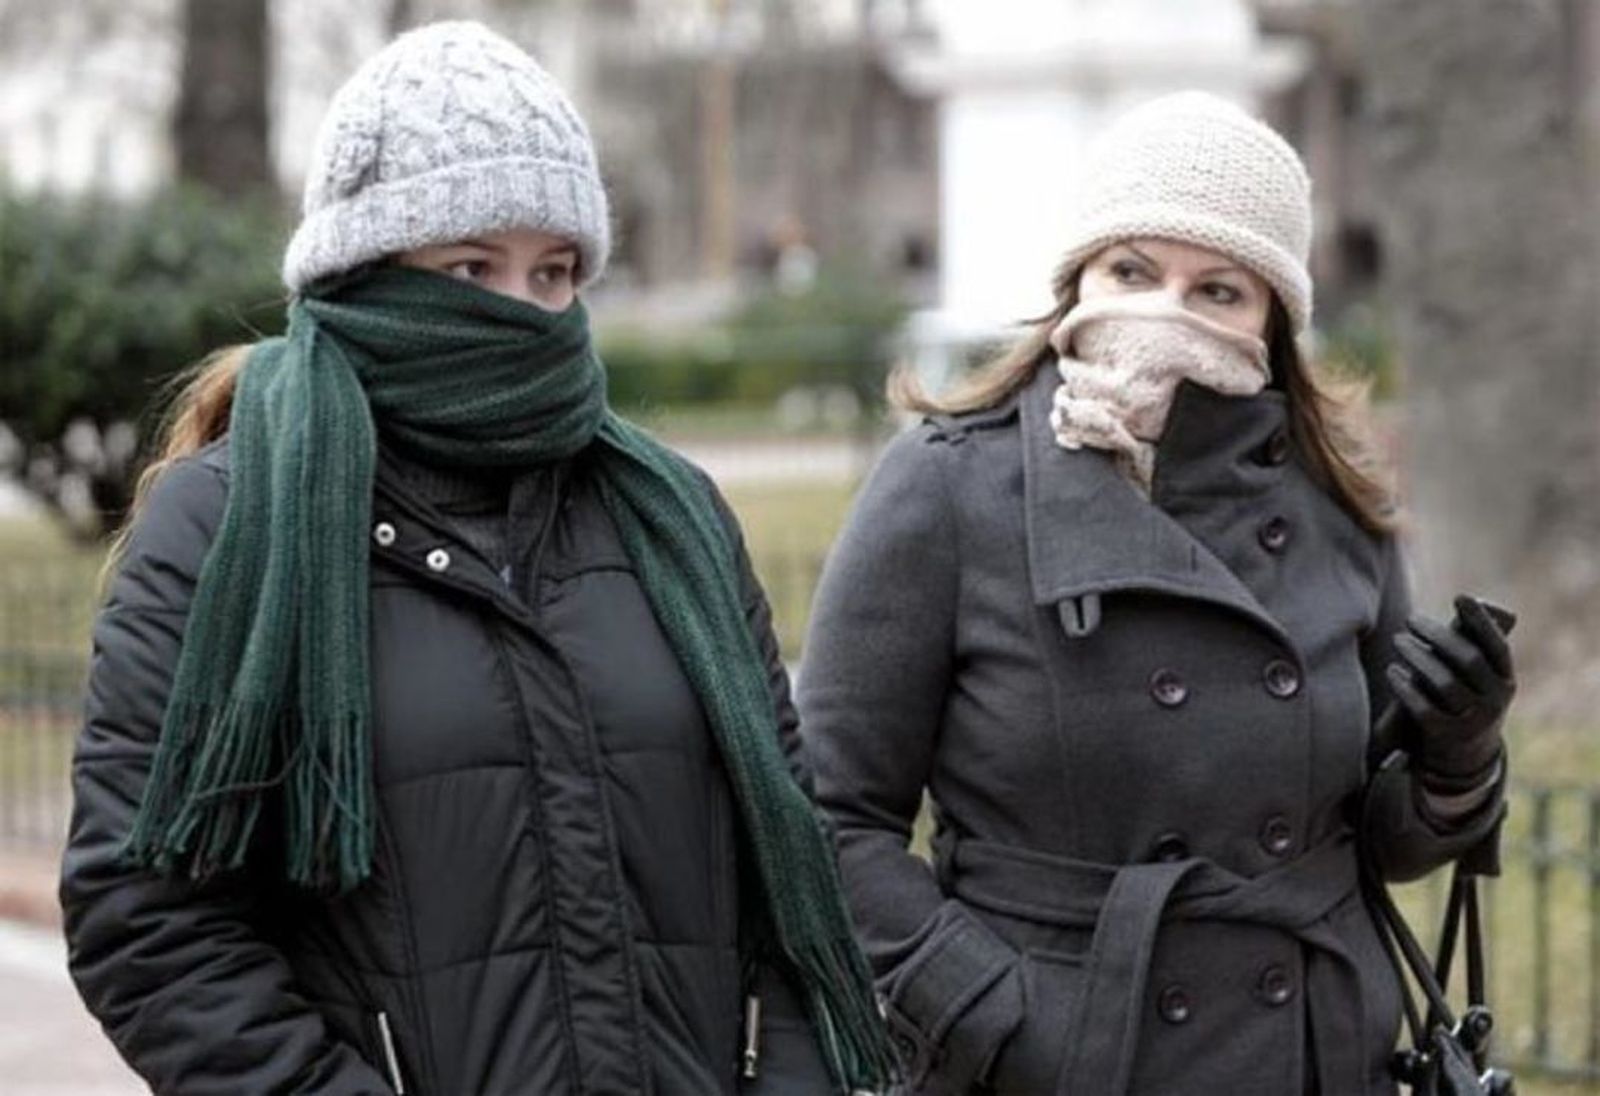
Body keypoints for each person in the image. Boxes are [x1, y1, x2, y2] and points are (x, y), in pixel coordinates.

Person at [59, 21, 893, 1096]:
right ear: (366, 274)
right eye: (471, 266)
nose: (521, 311)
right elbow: (148, 921)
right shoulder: (225, 524)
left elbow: (790, 866)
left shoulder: (672, 517)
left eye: (554, 271)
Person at [797, 92, 1514, 1095]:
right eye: (1132, 272)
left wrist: (1458, 754)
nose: (1167, 314)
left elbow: (1381, 843)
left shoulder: (1338, 503)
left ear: (1271, 320)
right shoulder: (949, 486)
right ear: (1077, 281)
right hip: (1060, 1064)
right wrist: (990, 1013)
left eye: (1218, 289)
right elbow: (827, 816)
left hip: (1310, 1059)